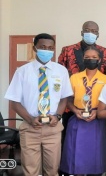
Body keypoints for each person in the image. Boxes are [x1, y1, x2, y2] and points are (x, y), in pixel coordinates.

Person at [4, 33, 73, 176]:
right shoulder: (22, 72)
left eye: (50, 48)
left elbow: (64, 98)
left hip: (53, 129)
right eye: (43, 47)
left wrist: (58, 115)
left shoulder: (61, 71)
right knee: (30, 171)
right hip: (30, 128)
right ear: (35, 48)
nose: (47, 50)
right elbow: (14, 103)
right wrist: (30, 119)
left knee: (52, 170)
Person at [57, 20, 106, 160]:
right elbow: (59, 75)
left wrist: (101, 108)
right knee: (70, 146)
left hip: (97, 108)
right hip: (71, 107)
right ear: (82, 32)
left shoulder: (105, 52)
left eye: (94, 31)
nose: (91, 33)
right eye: (88, 30)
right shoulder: (67, 50)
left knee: (95, 147)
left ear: (98, 34)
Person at [60, 46, 106, 175]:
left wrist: (98, 112)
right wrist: (75, 110)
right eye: (87, 57)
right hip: (77, 118)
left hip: (97, 121)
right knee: (75, 158)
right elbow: (68, 99)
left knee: (95, 158)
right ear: (83, 59)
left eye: (94, 57)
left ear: (100, 60)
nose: (91, 60)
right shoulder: (74, 78)